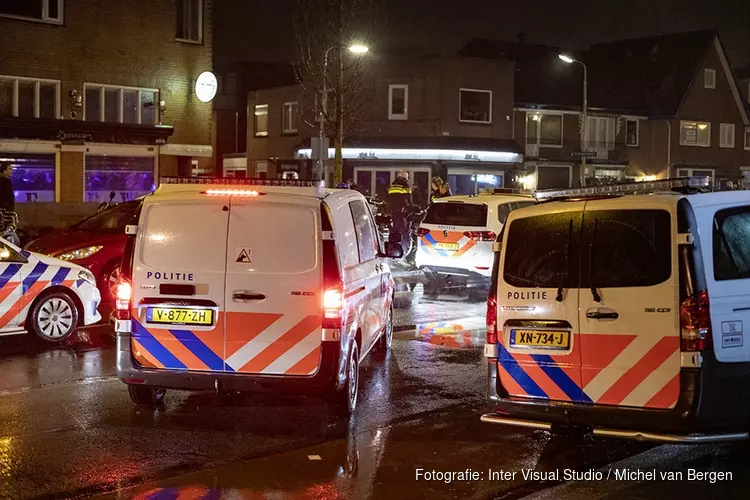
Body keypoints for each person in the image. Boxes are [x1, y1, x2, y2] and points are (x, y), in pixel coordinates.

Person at [387, 170, 415, 244]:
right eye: (407, 177)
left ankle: (393, 248)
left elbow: (388, 200)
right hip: (402, 214)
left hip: (393, 213)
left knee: (394, 232)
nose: (408, 179)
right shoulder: (405, 186)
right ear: (405, 177)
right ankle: (403, 249)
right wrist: (412, 209)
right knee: (404, 232)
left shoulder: (392, 186)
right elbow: (408, 201)